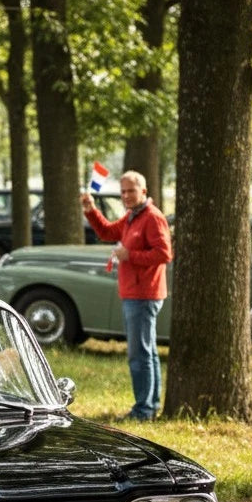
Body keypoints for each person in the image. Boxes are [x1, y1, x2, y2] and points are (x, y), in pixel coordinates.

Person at [80, 169, 172, 421]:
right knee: (147, 352)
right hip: (134, 293)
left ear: (144, 191)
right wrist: (90, 210)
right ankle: (149, 406)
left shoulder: (152, 217)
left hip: (144, 295)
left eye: (131, 190)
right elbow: (107, 232)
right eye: (122, 191)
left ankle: (143, 411)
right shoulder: (133, 216)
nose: (126, 196)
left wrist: (130, 256)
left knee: (139, 354)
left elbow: (164, 254)